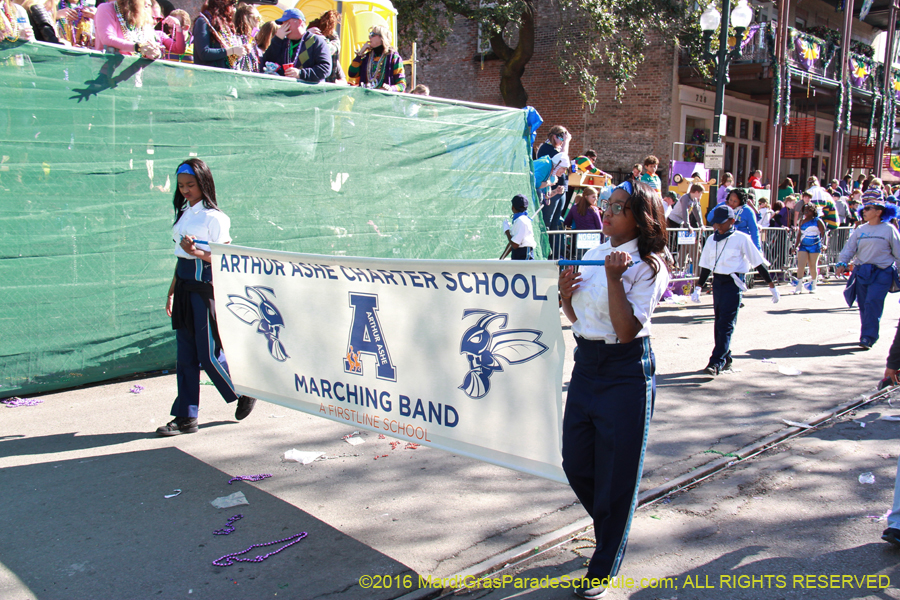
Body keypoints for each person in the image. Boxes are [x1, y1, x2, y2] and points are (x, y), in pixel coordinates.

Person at [558, 180, 669, 600]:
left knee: (617, 476)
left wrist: (614, 280)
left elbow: (625, 331)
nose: (606, 211)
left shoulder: (649, 265)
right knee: (576, 463)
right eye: (606, 203)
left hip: (625, 371)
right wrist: (565, 297)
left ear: (640, 217)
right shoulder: (593, 254)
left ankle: (603, 565)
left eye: (618, 206)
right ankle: (611, 530)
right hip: (586, 365)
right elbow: (580, 319)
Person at [159, 159, 257, 436]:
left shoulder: (216, 218)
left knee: (209, 353)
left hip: (204, 290)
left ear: (204, 183)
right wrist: (171, 292)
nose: (185, 190)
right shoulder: (184, 214)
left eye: (191, 184)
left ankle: (243, 389)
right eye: (181, 185)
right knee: (185, 356)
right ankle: (185, 416)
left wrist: (196, 252)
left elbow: (223, 258)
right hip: (184, 288)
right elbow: (180, 258)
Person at [692, 205, 779, 376]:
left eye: (721, 223)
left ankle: (716, 361)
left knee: (726, 324)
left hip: (733, 283)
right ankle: (726, 357)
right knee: (719, 323)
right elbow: (706, 266)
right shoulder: (711, 240)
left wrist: (771, 285)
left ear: (732, 221)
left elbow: (758, 263)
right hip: (718, 283)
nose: (718, 226)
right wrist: (698, 287)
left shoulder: (742, 239)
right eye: (715, 223)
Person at [837, 199, 900, 349]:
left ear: (879, 212)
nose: (863, 211)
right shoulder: (860, 230)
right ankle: (868, 333)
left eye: (868, 209)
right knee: (864, 304)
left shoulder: (889, 229)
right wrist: (842, 263)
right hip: (862, 272)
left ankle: (868, 336)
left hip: (882, 272)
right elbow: (849, 248)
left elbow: (898, 253)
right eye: (863, 209)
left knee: (872, 302)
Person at [94, 0, 182, 59]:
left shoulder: (143, 15)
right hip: (108, 73)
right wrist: (138, 47)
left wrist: (155, 53)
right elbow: (107, 38)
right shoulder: (106, 8)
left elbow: (149, 45)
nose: (148, 3)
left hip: (136, 74)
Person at [347, 24, 405, 91]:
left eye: (372, 35)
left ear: (382, 38)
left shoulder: (394, 57)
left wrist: (391, 88)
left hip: (384, 97)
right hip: (366, 96)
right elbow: (352, 73)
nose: (369, 37)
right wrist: (360, 54)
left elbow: (402, 85)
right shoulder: (367, 57)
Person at [193, 0, 246, 69]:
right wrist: (231, 51)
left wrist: (238, 52)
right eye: (232, 4)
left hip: (226, 74)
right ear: (222, 4)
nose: (234, 8)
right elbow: (203, 53)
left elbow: (228, 59)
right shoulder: (203, 22)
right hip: (208, 74)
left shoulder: (224, 25)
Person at [793, 203, 826, 294]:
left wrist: (824, 244)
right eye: (805, 209)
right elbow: (799, 234)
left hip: (815, 245)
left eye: (809, 209)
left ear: (813, 210)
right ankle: (798, 287)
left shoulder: (818, 221)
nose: (806, 211)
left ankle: (813, 285)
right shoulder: (801, 221)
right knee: (801, 266)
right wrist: (795, 246)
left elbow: (824, 233)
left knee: (812, 265)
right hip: (803, 245)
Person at [564, 186, 603, 260]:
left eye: (596, 197)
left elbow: (567, 222)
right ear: (586, 197)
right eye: (593, 197)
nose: (596, 199)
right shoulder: (594, 210)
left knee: (580, 260)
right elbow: (599, 226)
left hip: (581, 238)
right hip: (593, 238)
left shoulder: (574, 208)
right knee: (592, 260)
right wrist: (603, 239)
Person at [308, 9, 345, 84]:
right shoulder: (303, 49)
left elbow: (343, 80)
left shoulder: (330, 55)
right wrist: (306, 35)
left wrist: (335, 83)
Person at [503, 194, 536, 260]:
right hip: (517, 254)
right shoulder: (518, 220)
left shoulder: (521, 221)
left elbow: (515, 245)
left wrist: (507, 231)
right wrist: (501, 258)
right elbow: (512, 242)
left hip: (524, 254)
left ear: (512, 207)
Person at [231, 3, 260, 72]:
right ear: (249, 19)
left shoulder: (252, 41)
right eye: (258, 18)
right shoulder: (238, 39)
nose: (259, 21)